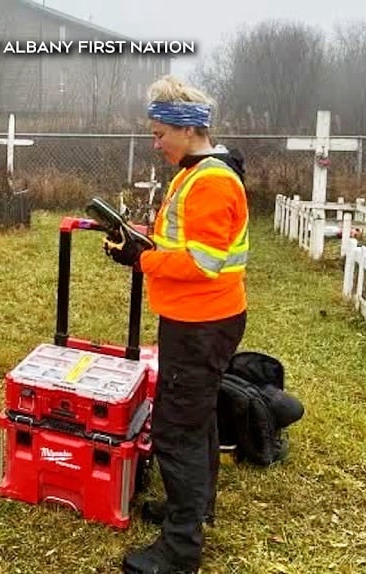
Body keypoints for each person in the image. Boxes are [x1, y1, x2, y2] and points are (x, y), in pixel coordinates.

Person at [103, 76, 249, 574]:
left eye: (159, 132)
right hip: (200, 318)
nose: (155, 142)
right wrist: (138, 244)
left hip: (201, 321)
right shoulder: (196, 172)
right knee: (197, 416)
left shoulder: (209, 180)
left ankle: (180, 547)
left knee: (177, 430)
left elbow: (203, 261)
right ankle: (194, 507)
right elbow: (181, 242)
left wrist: (141, 262)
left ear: (188, 131)